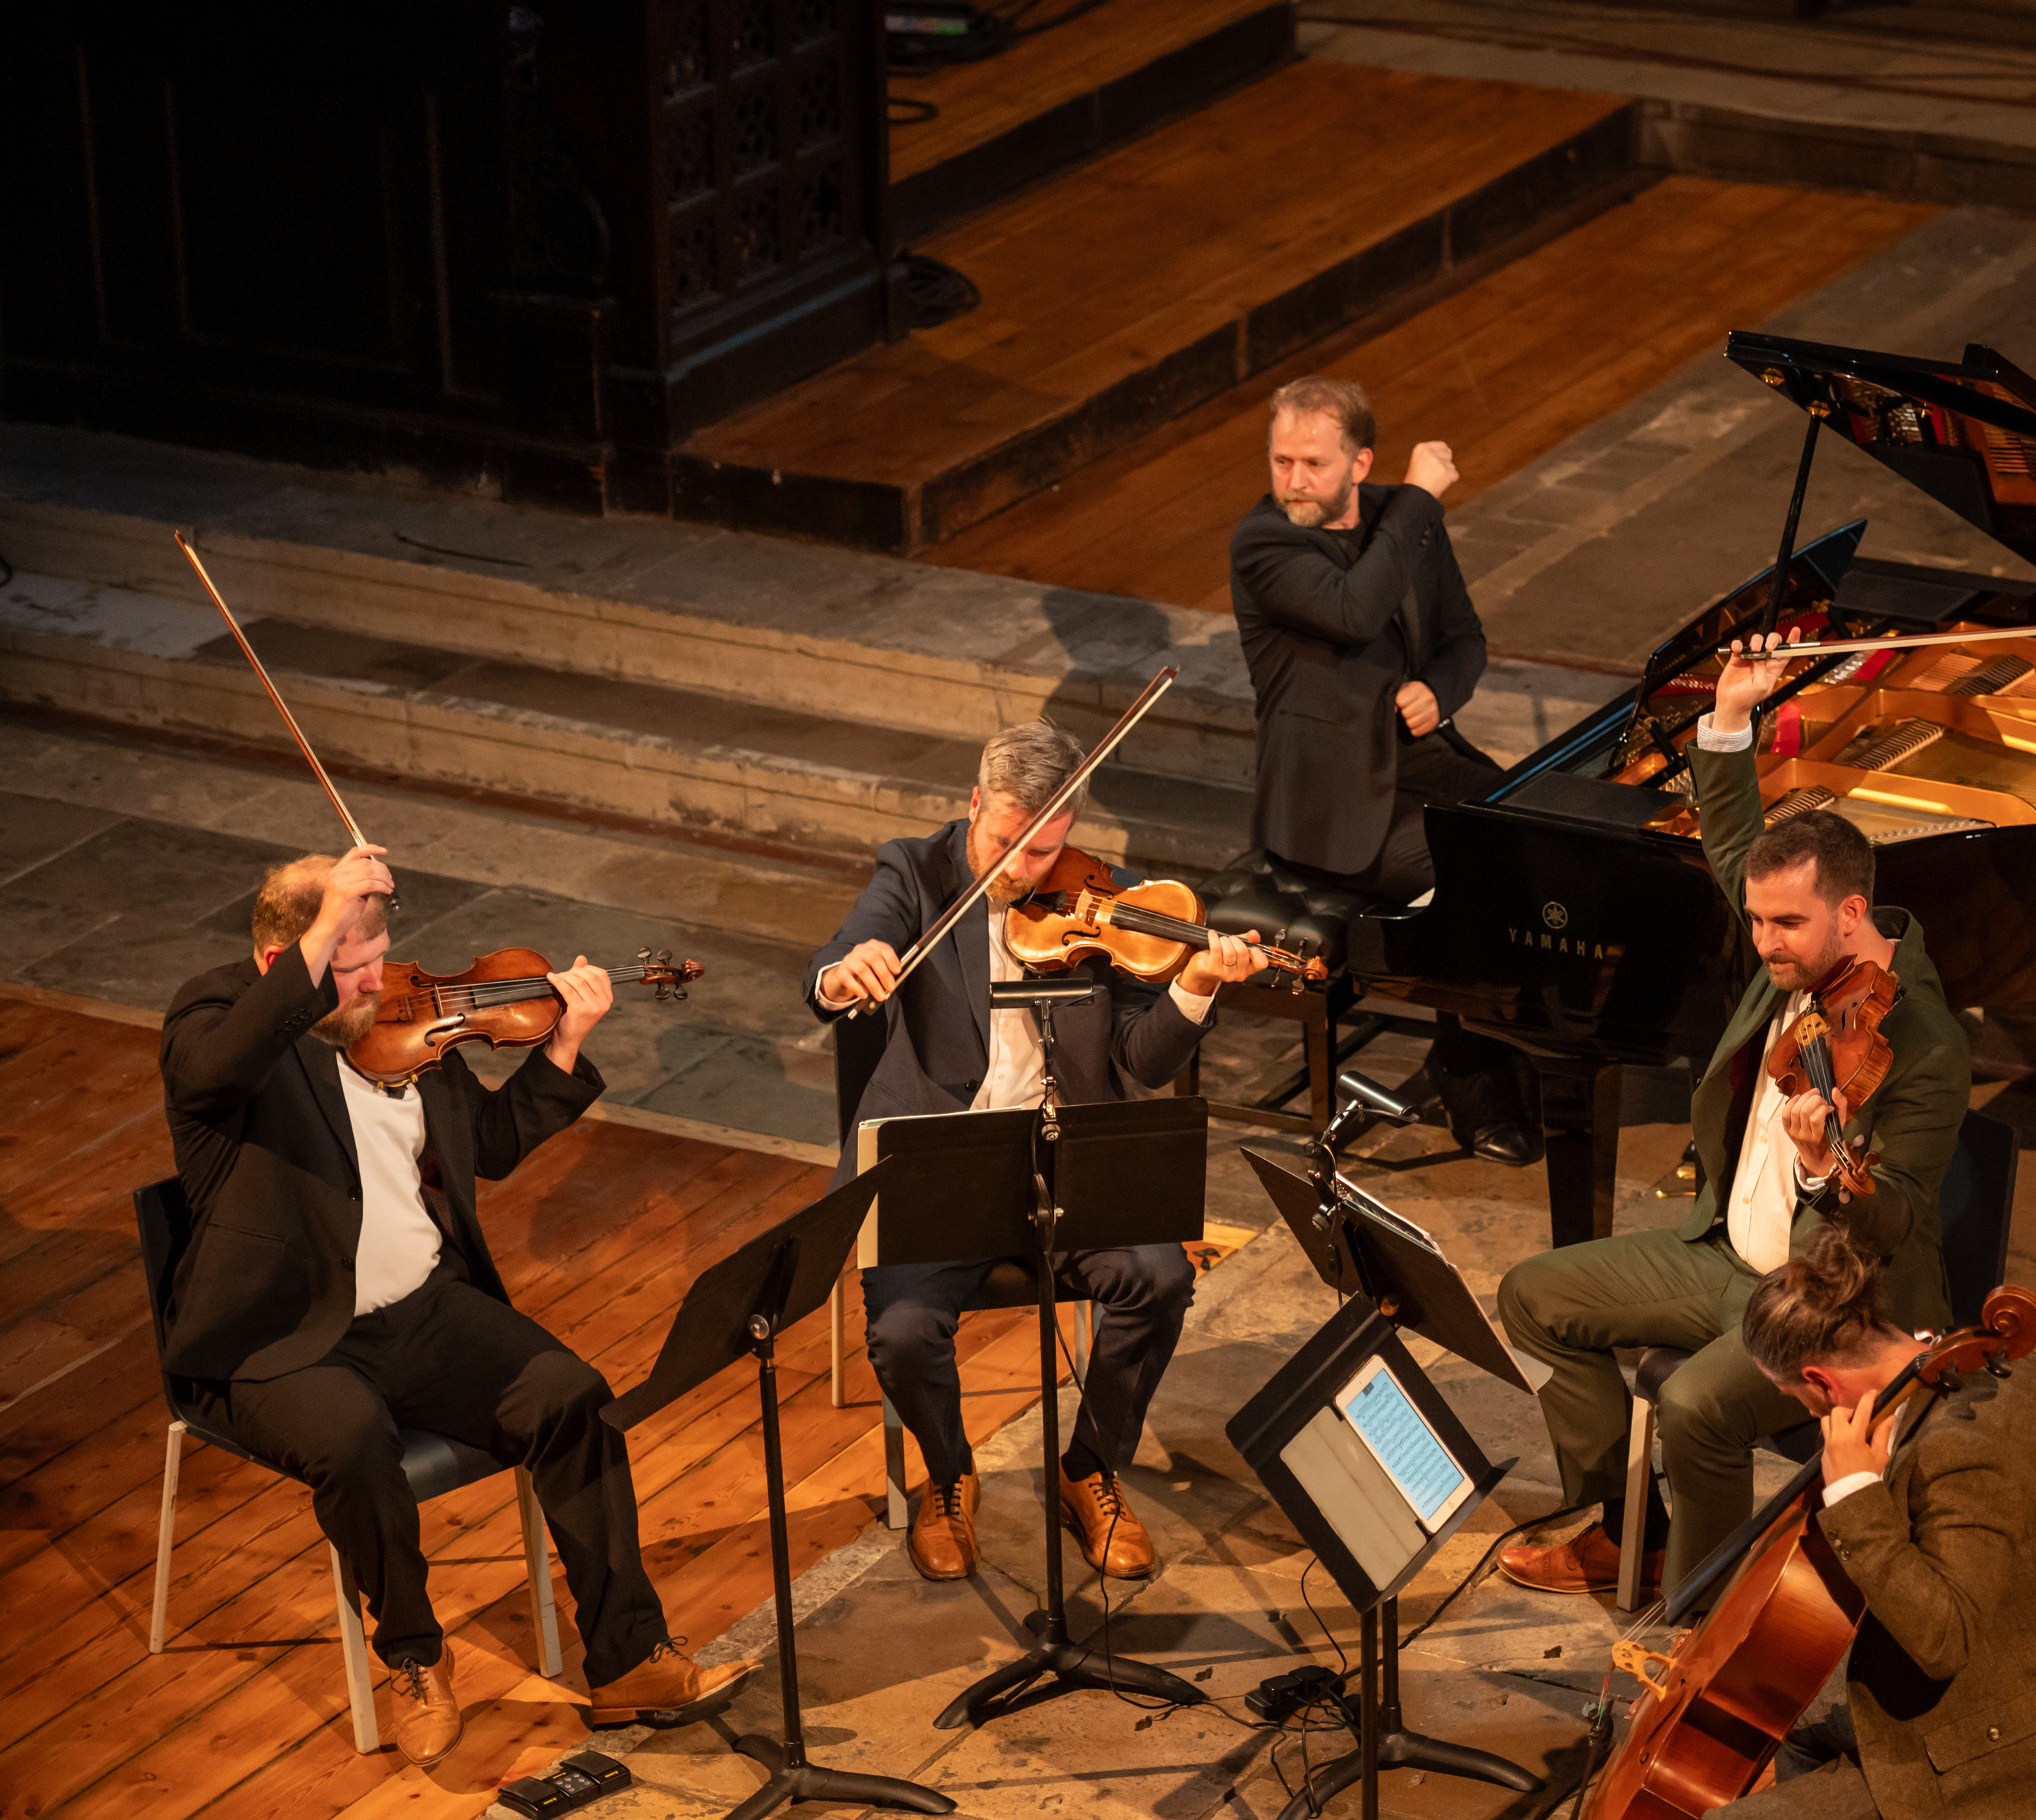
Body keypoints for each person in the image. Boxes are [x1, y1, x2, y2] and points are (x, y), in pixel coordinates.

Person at [160, 847, 757, 1768]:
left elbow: (486, 1145)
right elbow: (217, 1072)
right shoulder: (211, 1016)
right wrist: (324, 934)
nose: (377, 985)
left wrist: (564, 1046)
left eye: (379, 958)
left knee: (572, 1396)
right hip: (282, 1337)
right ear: (287, 961)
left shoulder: (403, 1022)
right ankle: (415, 1656)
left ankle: (628, 1659)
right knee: (354, 1443)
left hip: (420, 1307)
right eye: (351, 967)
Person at [1494, 633, 1970, 1599]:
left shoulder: (1923, 1041)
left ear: (1850, 914)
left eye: (1784, 923)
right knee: (1534, 1296)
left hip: (1832, 1296)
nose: (1762, 943)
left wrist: (1825, 1168)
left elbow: (1894, 1218)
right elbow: (1734, 848)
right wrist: (1727, 716)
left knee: (1693, 1404)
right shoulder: (1791, 952)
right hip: (1722, 1257)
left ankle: (1696, 1612)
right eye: (1753, 920)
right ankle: (1630, 1528)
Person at [805, 720, 1265, 1583]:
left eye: (1043, 849)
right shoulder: (915, 872)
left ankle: (1089, 1467)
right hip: (944, 1166)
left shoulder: (1106, 900)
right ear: (976, 802)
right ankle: (950, 1475)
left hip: (1070, 1164)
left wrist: (1196, 987)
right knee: (903, 1331)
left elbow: (1141, 1062)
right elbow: (839, 958)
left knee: (1160, 1277)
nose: (1021, 868)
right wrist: (847, 969)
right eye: (1006, 841)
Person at [1718, 1230, 2036, 1820]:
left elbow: (1942, 1642)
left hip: (1998, 1752)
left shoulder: (1950, 1448)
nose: (1807, 1410)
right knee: (1791, 1714)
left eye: (1793, 1395)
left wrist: (1854, 1494)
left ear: (1821, 1381)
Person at [1228, 374, 1534, 1163]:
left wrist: (1438, 689)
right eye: (1281, 461)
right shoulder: (1264, 543)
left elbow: (1465, 639)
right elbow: (1354, 608)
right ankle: (1471, 1077)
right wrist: (1421, 499)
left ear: (1359, 463)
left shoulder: (1403, 521)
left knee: (1547, 832)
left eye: (1314, 464)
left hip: (1417, 761)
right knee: (1474, 872)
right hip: (1328, 802)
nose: (1294, 481)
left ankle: (1523, 1045)